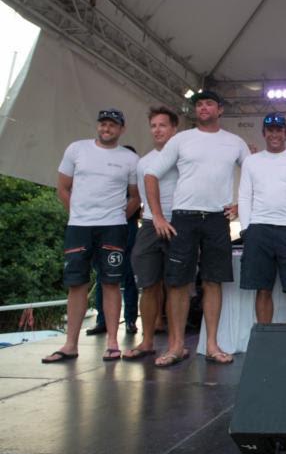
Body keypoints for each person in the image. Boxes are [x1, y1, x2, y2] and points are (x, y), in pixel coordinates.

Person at [145, 90, 250, 366]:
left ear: (220, 109)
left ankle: (212, 345)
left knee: (213, 281)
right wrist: (157, 215)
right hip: (184, 217)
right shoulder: (181, 139)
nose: (203, 108)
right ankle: (176, 346)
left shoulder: (235, 142)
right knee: (178, 282)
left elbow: (253, 175)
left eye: (209, 104)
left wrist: (241, 205)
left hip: (217, 219)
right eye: (199, 104)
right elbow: (151, 174)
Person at [43, 108, 139, 363]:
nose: (107, 128)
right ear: (98, 126)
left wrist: (118, 217)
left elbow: (135, 196)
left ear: (122, 129)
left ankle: (112, 342)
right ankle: (70, 344)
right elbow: (62, 188)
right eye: (103, 124)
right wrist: (78, 214)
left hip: (113, 227)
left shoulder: (130, 159)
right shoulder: (77, 149)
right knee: (76, 283)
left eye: (112, 125)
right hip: (79, 227)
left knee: (111, 283)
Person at [239, 113, 286, 324]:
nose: (274, 134)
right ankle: (265, 338)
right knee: (263, 289)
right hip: (258, 229)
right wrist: (246, 231)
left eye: (279, 130)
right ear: (263, 133)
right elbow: (244, 196)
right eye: (270, 130)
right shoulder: (251, 161)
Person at [123, 107, 179, 361]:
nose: (157, 130)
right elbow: (138, 197)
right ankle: (146, 341)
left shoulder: (183, 157)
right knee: (149, 285)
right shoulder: (142, 162)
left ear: (174, 129)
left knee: (176, 286)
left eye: (162, 125)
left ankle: (174, 343)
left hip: (178, 222)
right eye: (153, 126)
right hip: (149, 224)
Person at [87, 146, 141, 337]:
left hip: (128, 226)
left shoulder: (137, 177)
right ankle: (102, 321)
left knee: (129, 274)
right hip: (105, 228)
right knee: (104, 274)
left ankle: (131, 320)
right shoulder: (105, 176)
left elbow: (139, 201)